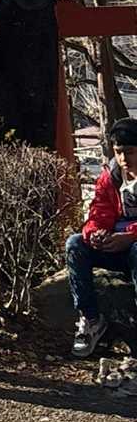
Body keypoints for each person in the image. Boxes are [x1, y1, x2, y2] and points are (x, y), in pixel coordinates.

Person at [65, 117, 137, 358]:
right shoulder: (110, 177)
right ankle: (91, 320)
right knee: (75, 244)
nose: (124, 159)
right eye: (119, 152)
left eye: (130, 152)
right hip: (116, 246)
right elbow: (98, 213)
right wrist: (96, 234)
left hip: (133, 246)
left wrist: (130, 236)